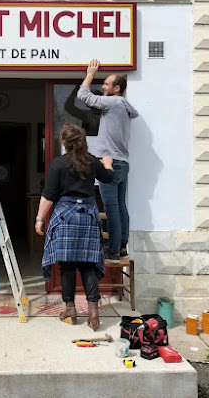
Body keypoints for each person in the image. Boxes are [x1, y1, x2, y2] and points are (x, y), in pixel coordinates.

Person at [35, 123, 114, 330]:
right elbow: (108, 178)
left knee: (67, 265)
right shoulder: (92, 162)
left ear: (64, 142)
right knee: (88, 264)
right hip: (87, 216)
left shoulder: (58, 164)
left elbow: (49, 195)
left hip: (66, 218)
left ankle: (70, 309)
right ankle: (94, 312)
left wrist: (39, 219)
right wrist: (108, 164)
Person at [77, 59, 139, 263]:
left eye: (107, 84)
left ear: (117, 88)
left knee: (112, 208)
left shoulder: (113, 103)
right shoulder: (124, 106)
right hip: (122, 162)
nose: (103, 86)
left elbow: (83, 96)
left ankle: (112, 251)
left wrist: (90, 74)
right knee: (121, 206)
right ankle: (121, 247)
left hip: (109, 162)